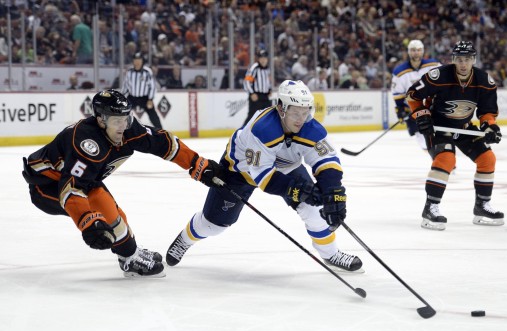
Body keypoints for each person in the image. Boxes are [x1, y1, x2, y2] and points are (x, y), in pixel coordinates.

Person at [166, 80, 363, 273]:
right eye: (295, 112)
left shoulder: (312, 128)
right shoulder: (262, 129)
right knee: (213, 225)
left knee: (314, 209)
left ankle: (330, 254)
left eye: (305, 112)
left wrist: (333, 191)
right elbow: (264, 178)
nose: (300, 119)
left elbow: (327, 161)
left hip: (286, 168)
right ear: (281, 108)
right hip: (240, 172)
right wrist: (298, 190)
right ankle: (185, 239)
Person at [22, 90, 222, 277]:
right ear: (101, 120)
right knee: (104, 208)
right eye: (117, 120)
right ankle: (129, 258)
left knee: (116, 214)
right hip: (46, 186)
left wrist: (198, 164)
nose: (123, 126)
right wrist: (87, 222)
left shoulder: (127, 127)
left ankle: (129, 250)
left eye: (125, 118)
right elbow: (71, 188)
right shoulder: (87, 143)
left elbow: (163, 143)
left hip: (80, 181)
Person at [406, 41, 504, 231]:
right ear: (453, 60)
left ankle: (482, 206)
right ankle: (431, 208)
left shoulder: (484, 81)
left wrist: (490, 126)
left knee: (487, 158)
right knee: (446, 159)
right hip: (438, 127)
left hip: (464, 127)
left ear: (473, 60)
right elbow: (412, 96)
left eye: (467, 59)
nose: (463, 64)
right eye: (459, 59)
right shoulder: (439, 76)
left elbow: (487, 111)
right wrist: (422, 115)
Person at [391, 40, 441, 151]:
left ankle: (442, 159)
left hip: (433, 107)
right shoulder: (399, 71)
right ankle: (438, 160)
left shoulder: (433, 65)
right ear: (409, 52)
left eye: (418, 50)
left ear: (422, 51)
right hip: (414, 109)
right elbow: (397, 93)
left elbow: (443, 83)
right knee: (423, 140)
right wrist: (400, 109)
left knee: (440, 135)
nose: (416, 53)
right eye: (413, 50)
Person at [122, 52, 163, 129]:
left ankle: (161, 132)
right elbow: (125, 86)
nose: (137, 62)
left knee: (153, 117)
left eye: (139, 60)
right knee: (123, 114)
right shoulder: (129, 72)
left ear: (142, 61)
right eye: (135, 60)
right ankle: (122, 131)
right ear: (133, 61)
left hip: (145, 98)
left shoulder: (147, 72)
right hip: (132, 97)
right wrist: (122, 98)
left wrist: (150, 99)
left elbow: (152, 87)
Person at [243, 49, 271, 127]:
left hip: (265, 97)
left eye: (264, 58)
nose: (263, 60)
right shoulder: (254, 68)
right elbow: (247, 82)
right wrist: (252, 93)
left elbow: (267, 81)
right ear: (258, 59)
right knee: (251, 116)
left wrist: (269, 89)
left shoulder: (267, 69)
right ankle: (241, 133)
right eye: (261, 58)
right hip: (256, 96)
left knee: (268, 115)